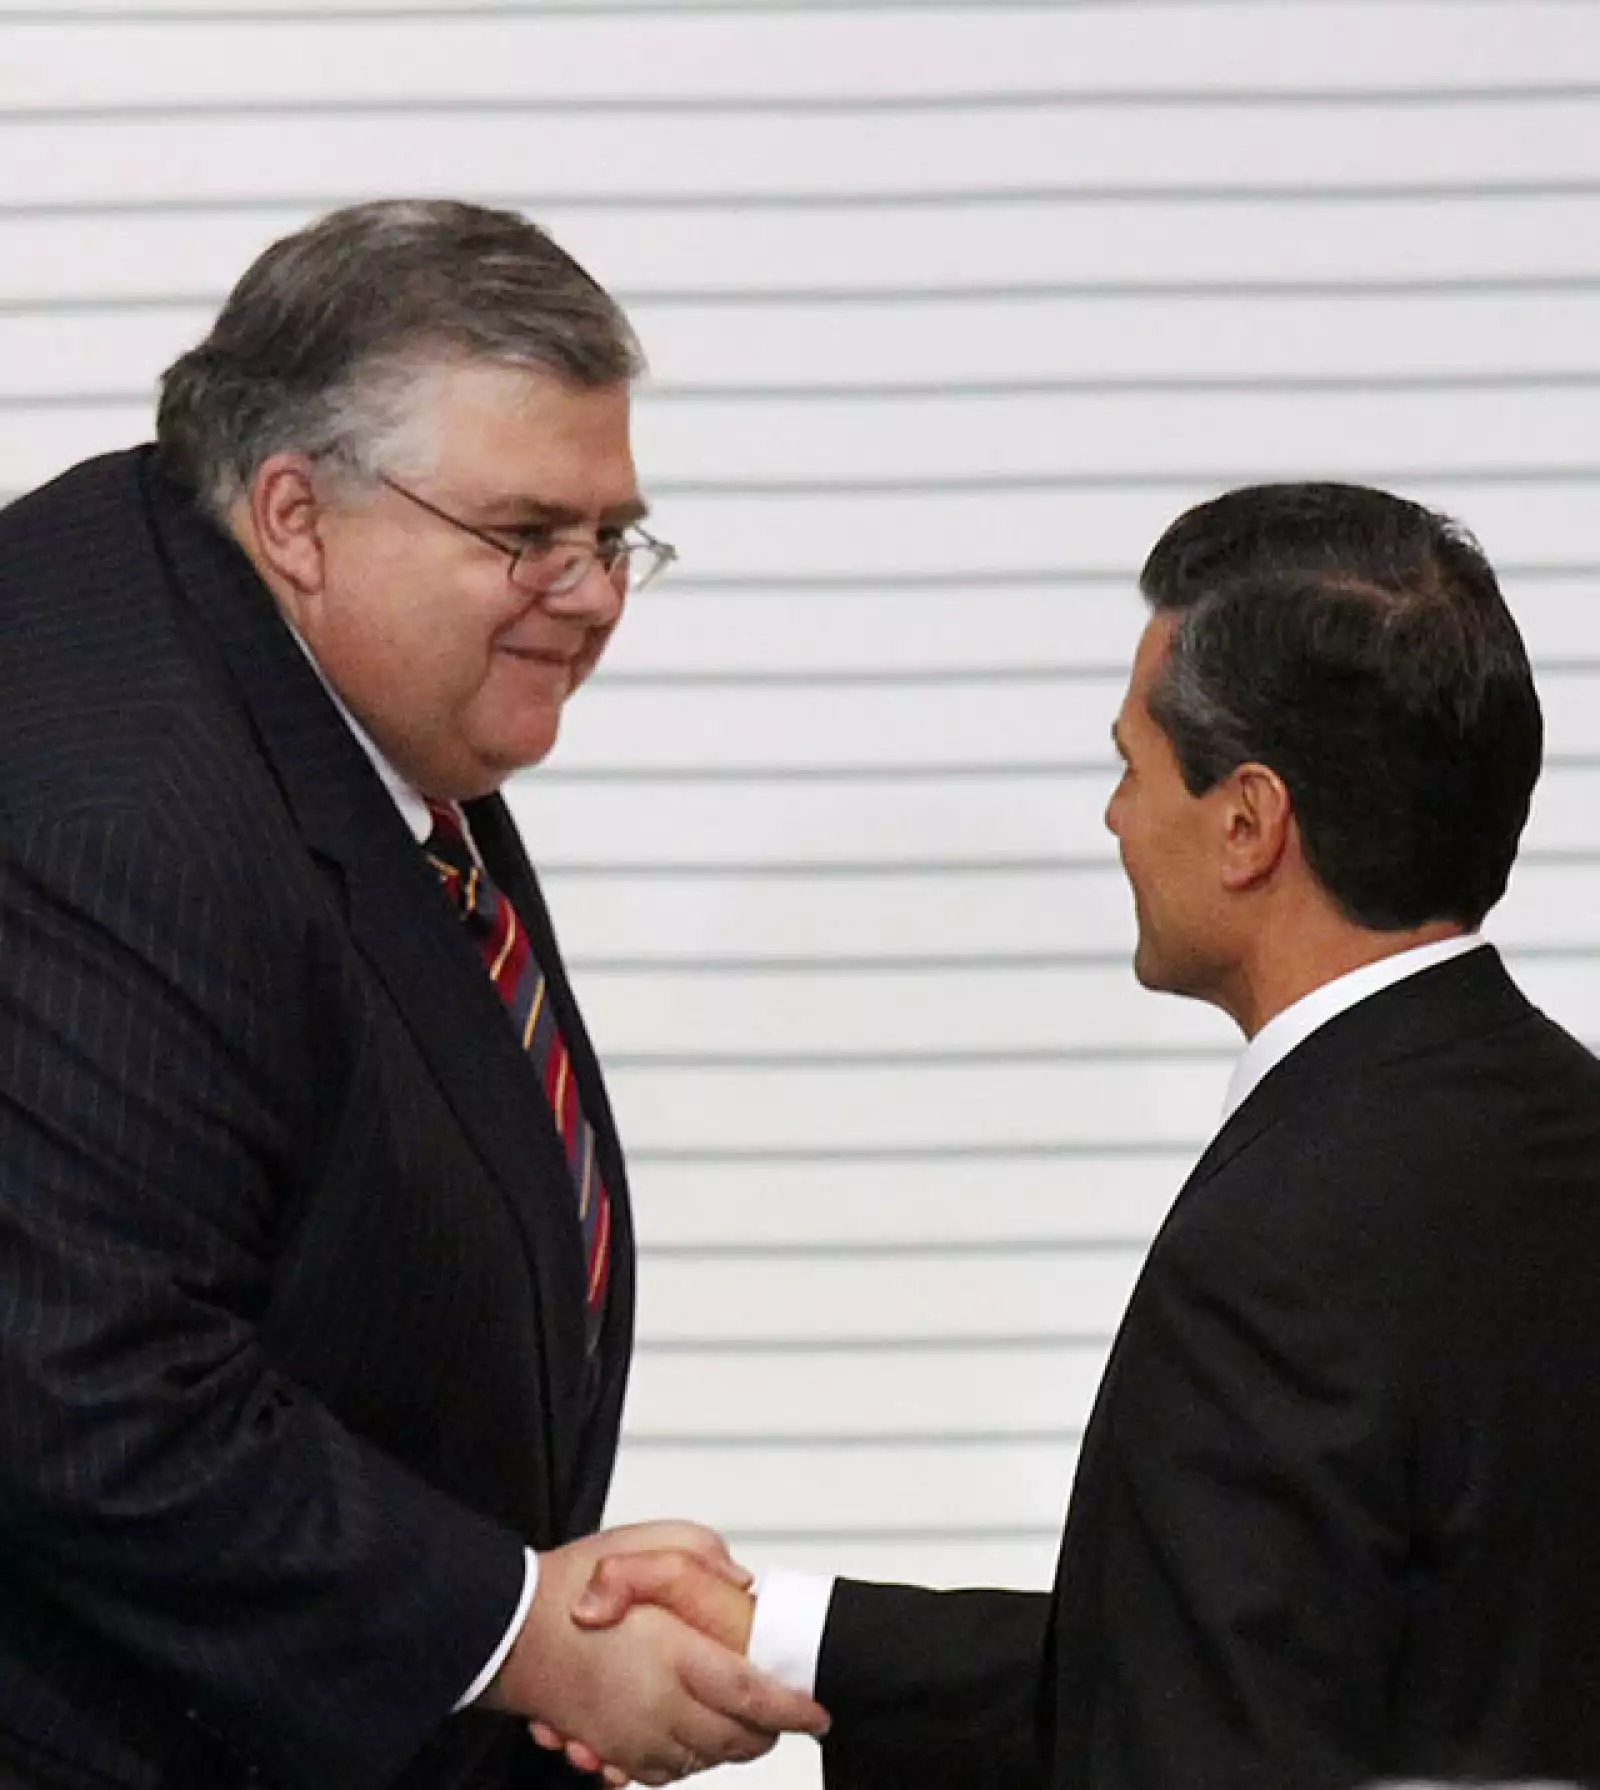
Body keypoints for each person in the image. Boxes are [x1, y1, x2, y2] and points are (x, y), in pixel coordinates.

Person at [560, 482, 1600, 1788]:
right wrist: (788, 1635)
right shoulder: (1562, 1127)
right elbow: (1283, 1659)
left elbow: (1205, 1746)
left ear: (1248, 823)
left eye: (1131, 764)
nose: (1115, 817)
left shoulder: (1280, 1250)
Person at [0, 199, 826, 1790]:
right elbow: (89, 1393)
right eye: (526, 535)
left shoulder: (303, 652)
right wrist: (520, 1631)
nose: (591, 596)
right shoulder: (114, 811)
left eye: (613, 536)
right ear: (296, 514)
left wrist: (531, 1601)